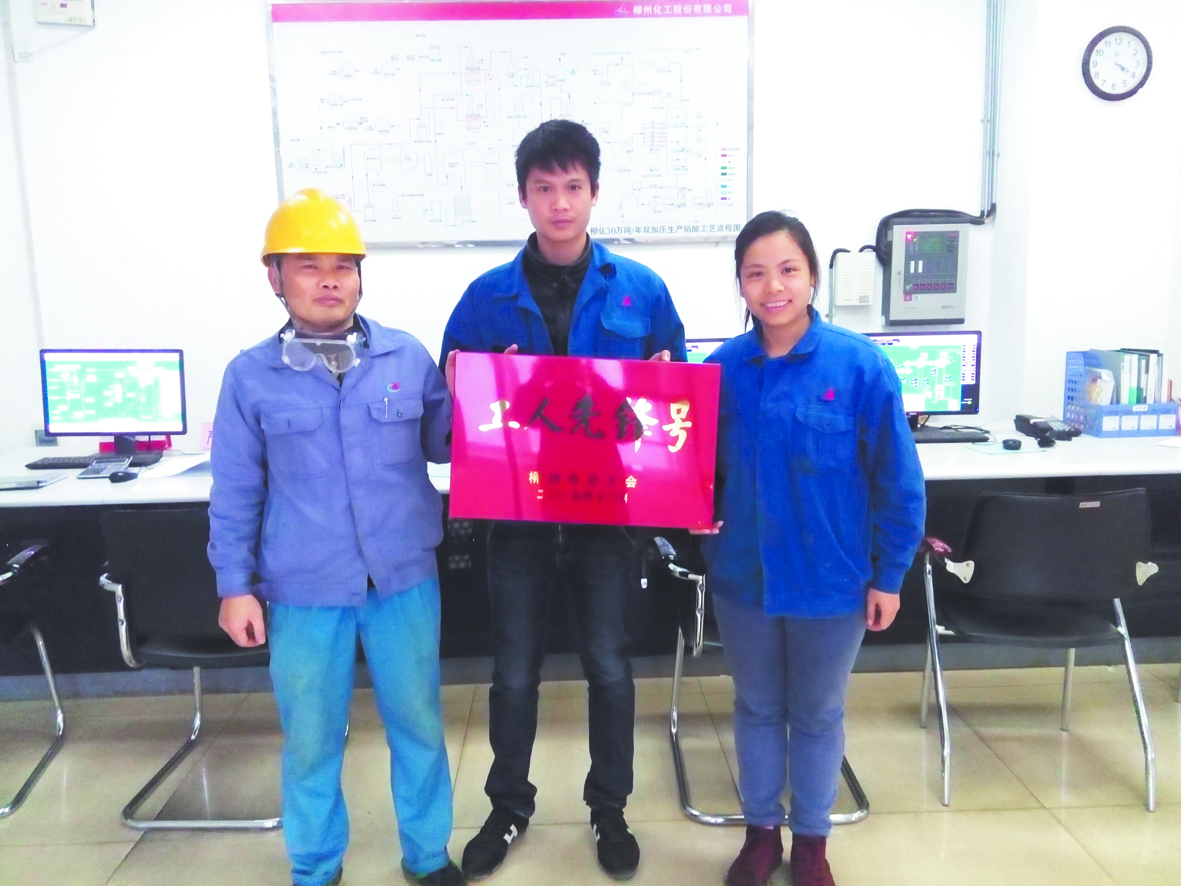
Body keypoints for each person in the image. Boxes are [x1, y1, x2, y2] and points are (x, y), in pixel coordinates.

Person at [439, 119, 686, 881]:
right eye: (543, 188)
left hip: (606, 519)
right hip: (516, 517)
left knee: (609, 667)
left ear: (594, 193)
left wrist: (664, 386)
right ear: (523, 197)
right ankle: (508, 805)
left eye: (572, 186)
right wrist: (470, 384)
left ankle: (609, 807)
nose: (559, 203)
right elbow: (451, 416)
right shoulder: (485, 297)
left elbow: (677, 411)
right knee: (513, 672)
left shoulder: (641, 291)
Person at [208, 189, 464, 886]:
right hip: (303, 588)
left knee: (418, 723)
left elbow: (447, 444)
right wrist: (235, 587)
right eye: (308, 266)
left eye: (343, 266)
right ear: (274, 277)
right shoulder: (249, 377)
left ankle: (428, 855)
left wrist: (479, 391)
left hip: (402, 579)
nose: (329, 281)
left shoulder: (405, 357)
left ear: (360, 276)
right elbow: (234, 491)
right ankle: (316, 866)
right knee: (312, 737)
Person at [694, 210, 925, 886]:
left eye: (787, 270)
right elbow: (693, 469)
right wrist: (692, 512)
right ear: (740, 284)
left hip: (832, 582)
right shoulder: (720, 371)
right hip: (745, 579)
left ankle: (814, 841)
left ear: (813, 276)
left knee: (818, 714)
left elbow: (898, 481)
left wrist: (889, 576)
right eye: (755, 273)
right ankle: (761, 833)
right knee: (757, 708)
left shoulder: (859, 366)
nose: (773, 287)